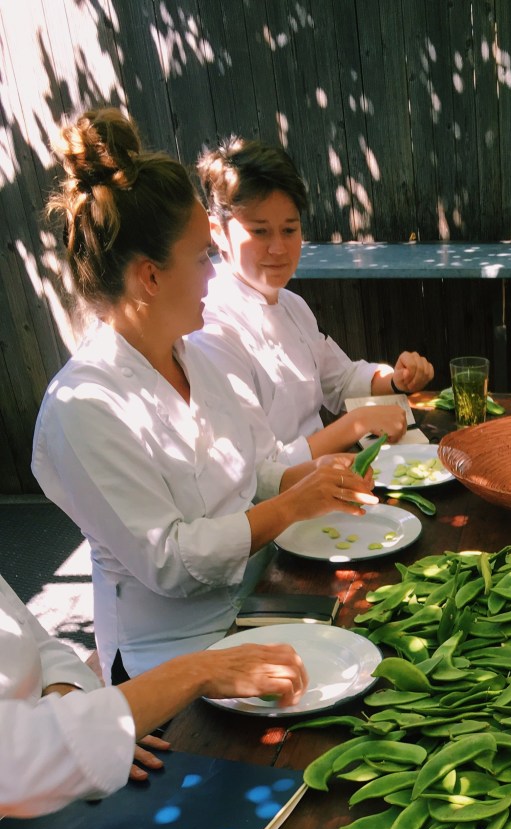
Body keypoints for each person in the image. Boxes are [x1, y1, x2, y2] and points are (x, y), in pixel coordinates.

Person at [32, 108, 376, 683]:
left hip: (260, 599)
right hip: (169, 660)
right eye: (200, 258)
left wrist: (313, 477)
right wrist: (292, 504)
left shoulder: (193, 358)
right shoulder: (83, 407)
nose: (213, 277)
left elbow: (256, 469)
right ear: (150, 277)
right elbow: (170, 561)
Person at [191, 136, 434, 464]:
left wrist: (395, 379)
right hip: (287, 493)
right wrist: (357, 423)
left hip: (331, 475)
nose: (278, 248)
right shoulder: (210, 328)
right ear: (217, 231)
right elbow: (260, 473)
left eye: (289, 230)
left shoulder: (293, 305)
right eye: (259, 232)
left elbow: (341, 381)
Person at [0, 571, 308, 820]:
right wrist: (193, 672)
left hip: (65, 769)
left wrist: (83, 723)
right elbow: (14, 764)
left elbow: (41, 647)